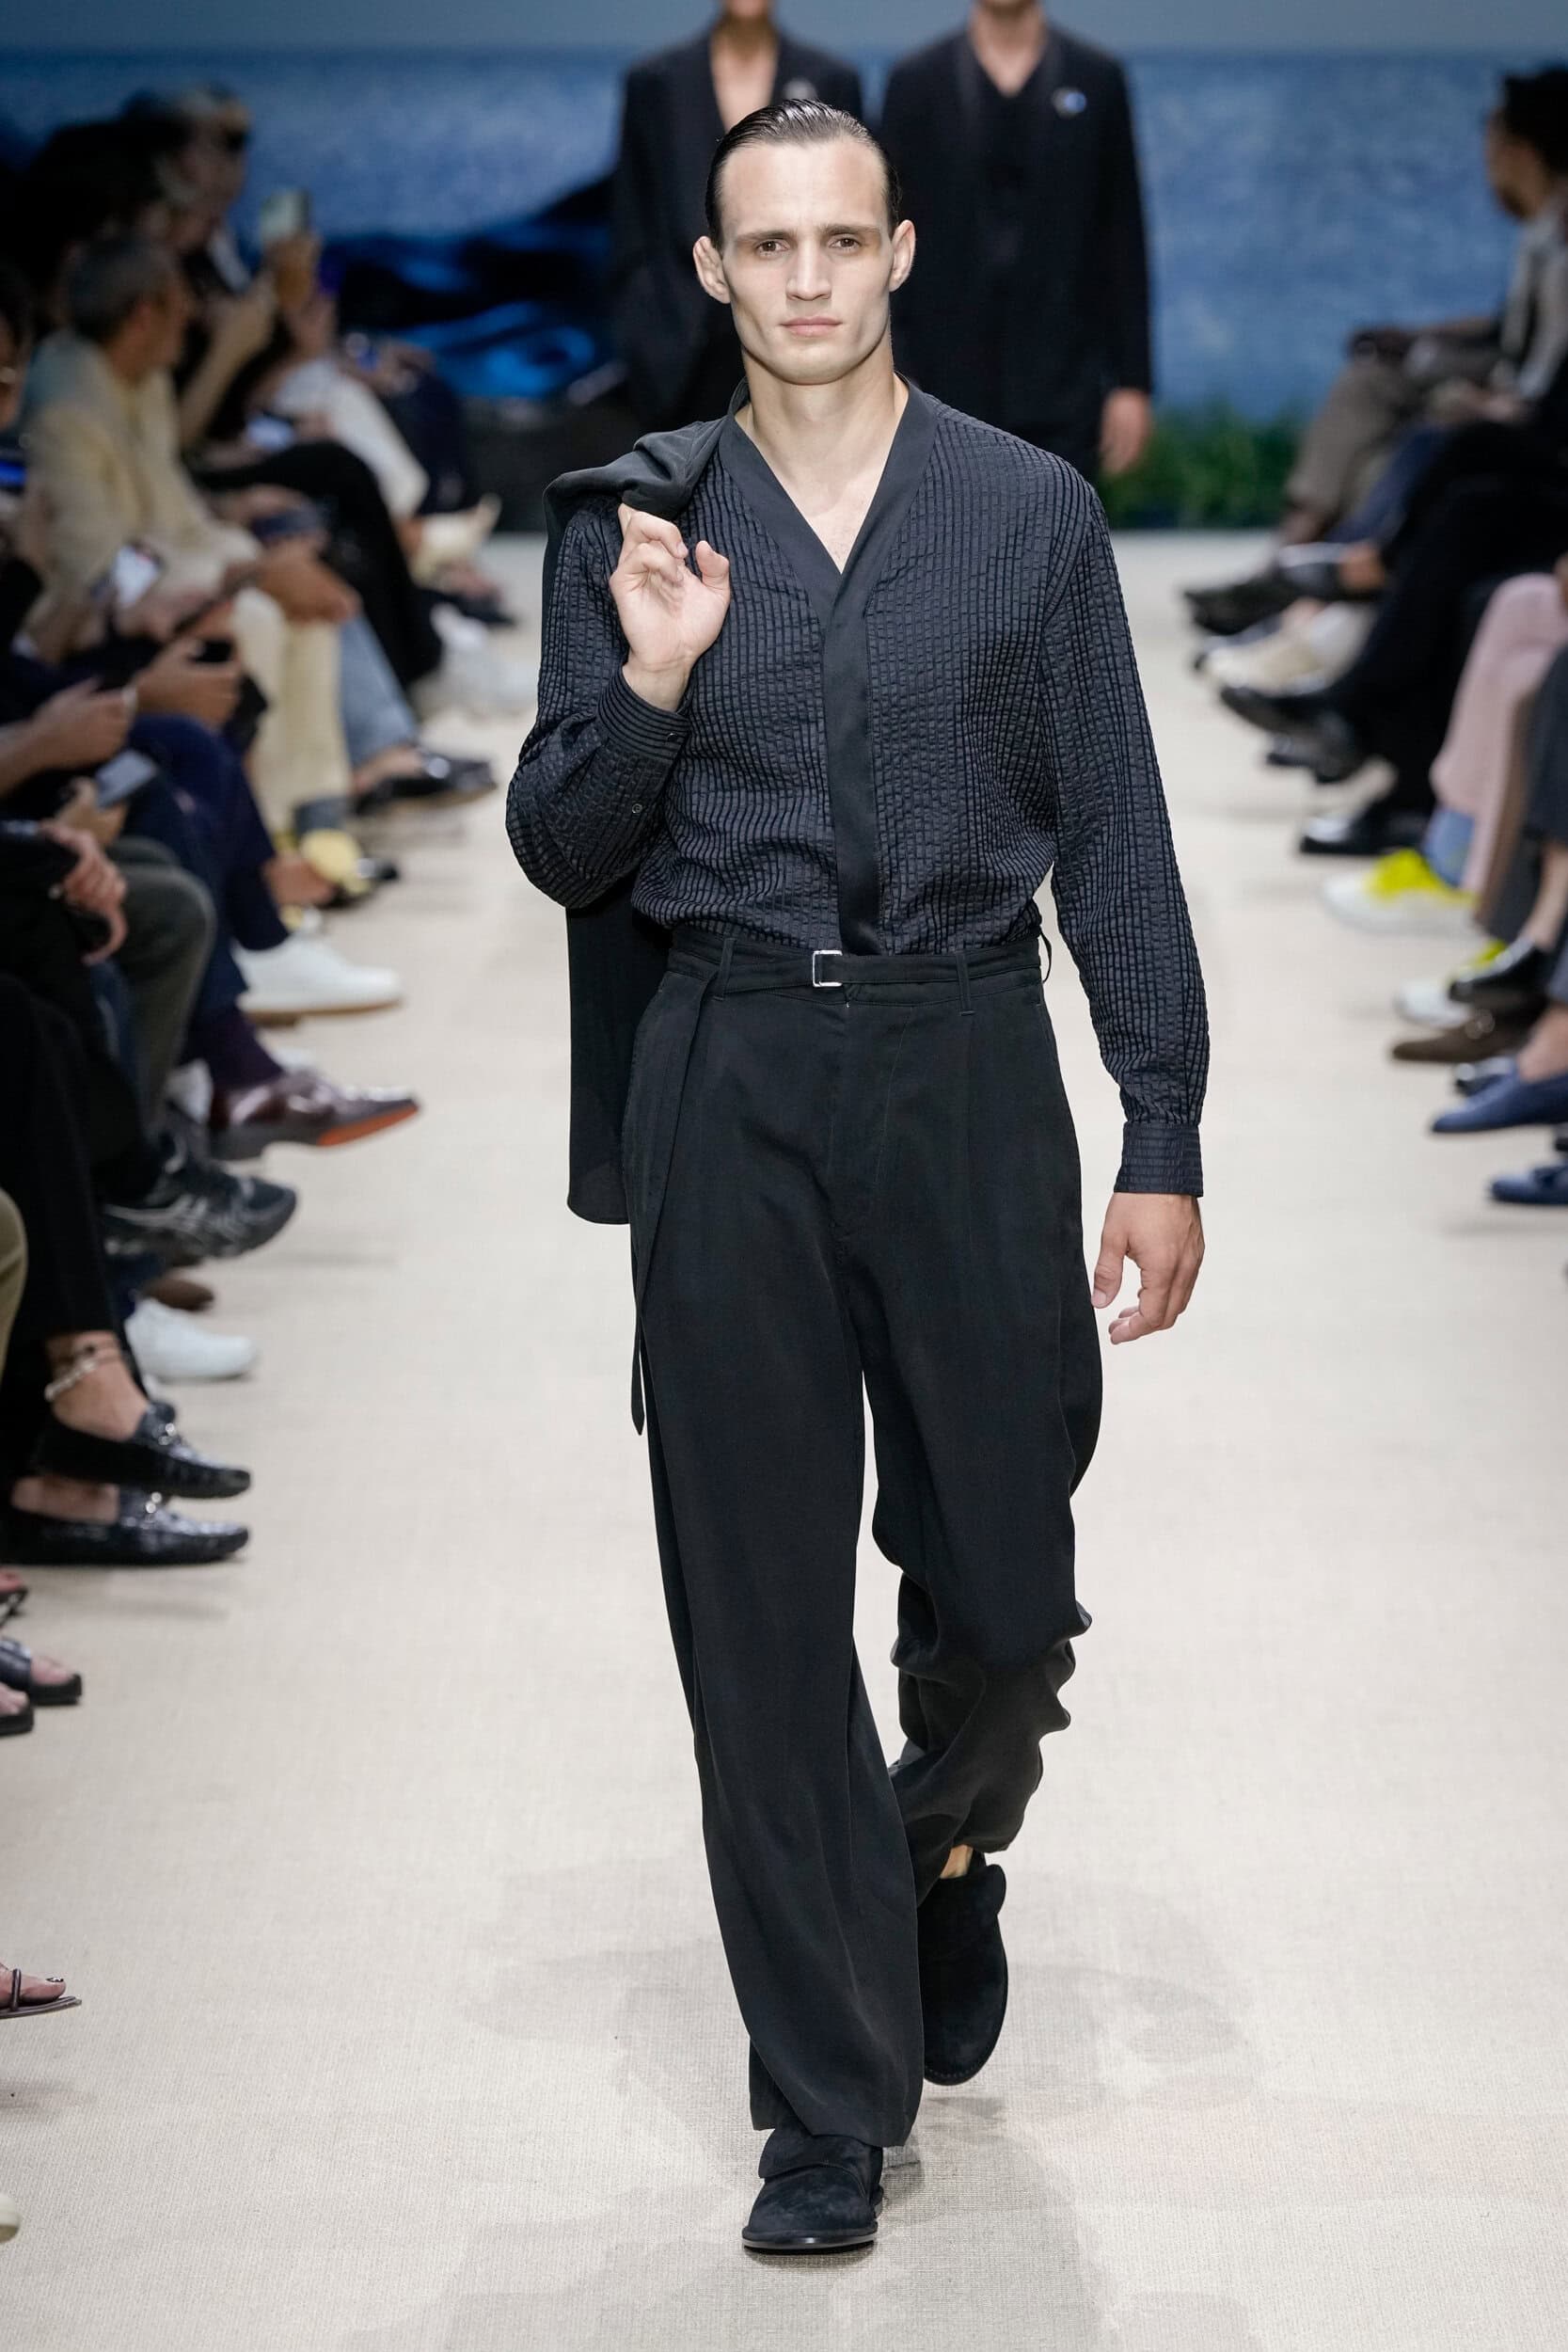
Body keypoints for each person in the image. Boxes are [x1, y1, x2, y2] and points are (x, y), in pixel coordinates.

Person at [509, 100, 1207, 2255]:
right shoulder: (636, 522)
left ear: (897, 251)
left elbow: (1112, 829)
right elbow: (560, 843)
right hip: (728, 1064)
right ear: (710, 272)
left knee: (1003, 1596)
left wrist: (1160, 1125)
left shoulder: (1027, 514)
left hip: (966, 1058)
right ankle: (824, 2101)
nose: (804, 278)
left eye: (839, 239)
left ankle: (934, 1846)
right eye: (765, 246)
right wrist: (648, 681)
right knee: (751, 1609)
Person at [879, 0, 1153, 483]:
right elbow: (886, 233)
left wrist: (1132, 382)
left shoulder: (1096, 79)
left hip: (1065, 381)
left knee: (1063, 524)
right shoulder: (916, 82)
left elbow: (1122, 237)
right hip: (939, 380)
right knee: (946, 525)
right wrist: (889, 366)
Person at [610, 1, 863, 428]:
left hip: (796, 332)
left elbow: (853, 214)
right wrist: (643, 337)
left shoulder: (830, 79)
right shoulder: (655, 82)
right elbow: (631, 225)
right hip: (677, 353)